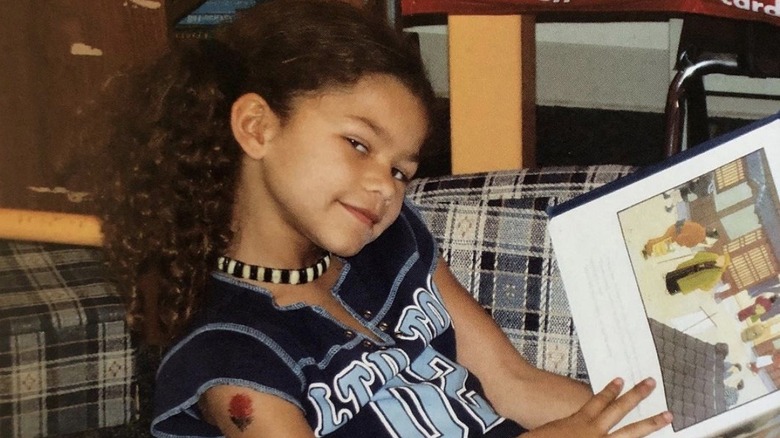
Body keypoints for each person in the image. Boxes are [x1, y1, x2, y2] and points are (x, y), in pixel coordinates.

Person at [91, 1, 672, 436]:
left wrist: (671, 419)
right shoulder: (230, 355)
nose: (383, 187)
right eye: (359, 145)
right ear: (257, 128)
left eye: (400, 169)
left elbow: (511, 382)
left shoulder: (393, 243)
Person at [642, 220, 718, 258]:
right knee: (664, 246)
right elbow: (686, 240)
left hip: (676, 228)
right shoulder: (700, 236)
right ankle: (648, 250)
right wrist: (679, 243)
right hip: (676, 235)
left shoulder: (700, 228)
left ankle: (649, 244)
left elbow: (686, 223)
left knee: (662, 239)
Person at [665, 251, 730, 295]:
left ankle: (669, 290)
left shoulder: (716, 275)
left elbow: (708, 287)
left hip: (694, 279)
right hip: (691, 267)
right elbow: (700, 254)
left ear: (723, 265)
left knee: (681, 283)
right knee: (678, 273)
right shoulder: (714, 256)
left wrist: (699, 284)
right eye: (721, 257)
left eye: (722, 260)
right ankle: (667, 277)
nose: (719, 258)